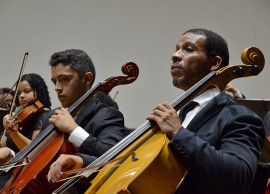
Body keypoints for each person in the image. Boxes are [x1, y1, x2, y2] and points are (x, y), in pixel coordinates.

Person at [145, 28, 265, 194]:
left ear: (215, 63)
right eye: (177, 49)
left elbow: (239, 177)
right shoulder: (176, 114)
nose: (175, 55)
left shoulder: (240, 118)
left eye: (188, 49)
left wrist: (179, 133)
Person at [45, 49, 126, 192]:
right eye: (54, 81)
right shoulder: (53, 116)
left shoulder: (108, 115)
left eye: (64, 79)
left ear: (87, 79)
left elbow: (115, 158)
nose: (57, 88)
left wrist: (74, 130)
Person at [0, 73, 51, 188]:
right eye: (19, 93)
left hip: (25, 174)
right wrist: (5, 128)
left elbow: (34, 150)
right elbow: (2, 145)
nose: (21, 96)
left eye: (26, 91)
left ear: (38, 91)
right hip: (7, 170)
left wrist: (13, 132)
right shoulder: (18, 115)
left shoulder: (44, 115)